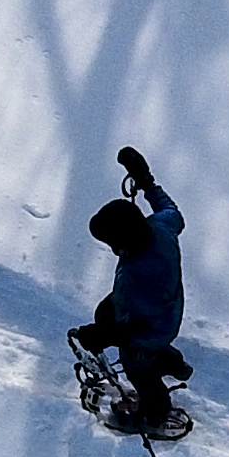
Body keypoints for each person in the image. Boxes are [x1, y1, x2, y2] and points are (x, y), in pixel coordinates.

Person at [68, 147, 191, 434]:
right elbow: (171, 210)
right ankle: (173, 362)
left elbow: (138, 330)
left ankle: (155, 412)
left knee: (137, 367)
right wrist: (144, 179)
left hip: (152, 327)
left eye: (111, 244)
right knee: (105, 311)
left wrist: (106, 336)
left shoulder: (140, 280)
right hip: (160, 308)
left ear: (124, 245)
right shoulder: (160, 226)